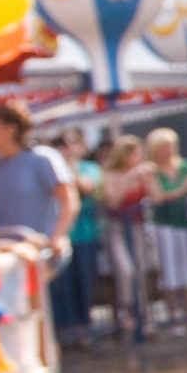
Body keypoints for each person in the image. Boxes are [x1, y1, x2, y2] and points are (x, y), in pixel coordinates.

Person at [0, 101, 77, 253]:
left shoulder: (42, 158)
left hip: (40, 252)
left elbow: (69, 201)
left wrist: (57, 237)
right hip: (3, 253)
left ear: (10, 129)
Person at [144, 127, 187, 336]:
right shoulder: (151, 171)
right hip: (166, 225)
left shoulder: (186, 166)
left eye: (171, 146)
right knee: (170, 271)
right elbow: (158, 197)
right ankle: (174, 318)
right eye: (163, 147)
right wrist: (183, 189)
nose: (168, 151)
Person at [49, 129, 104, 345]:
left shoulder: (89, 168)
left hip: (85, 235)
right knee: (62, 286)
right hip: (60, 236)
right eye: (60, 144)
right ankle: (64, 331)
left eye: (70, 143)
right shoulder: (50, 170)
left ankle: (84, 330)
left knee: (84, 284)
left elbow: (86, 187)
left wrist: (65, 167)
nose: (66, 148)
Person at [100, 135, 153, 337]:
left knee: (140, 270)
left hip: (138, 227)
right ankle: (126, 312)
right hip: (118, 228)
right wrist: (129, 177)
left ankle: (143, 316)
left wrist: (148, 178)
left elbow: (156, 196)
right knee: (126, 270)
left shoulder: (143, 172)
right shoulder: (110, 174)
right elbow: (113, 201)